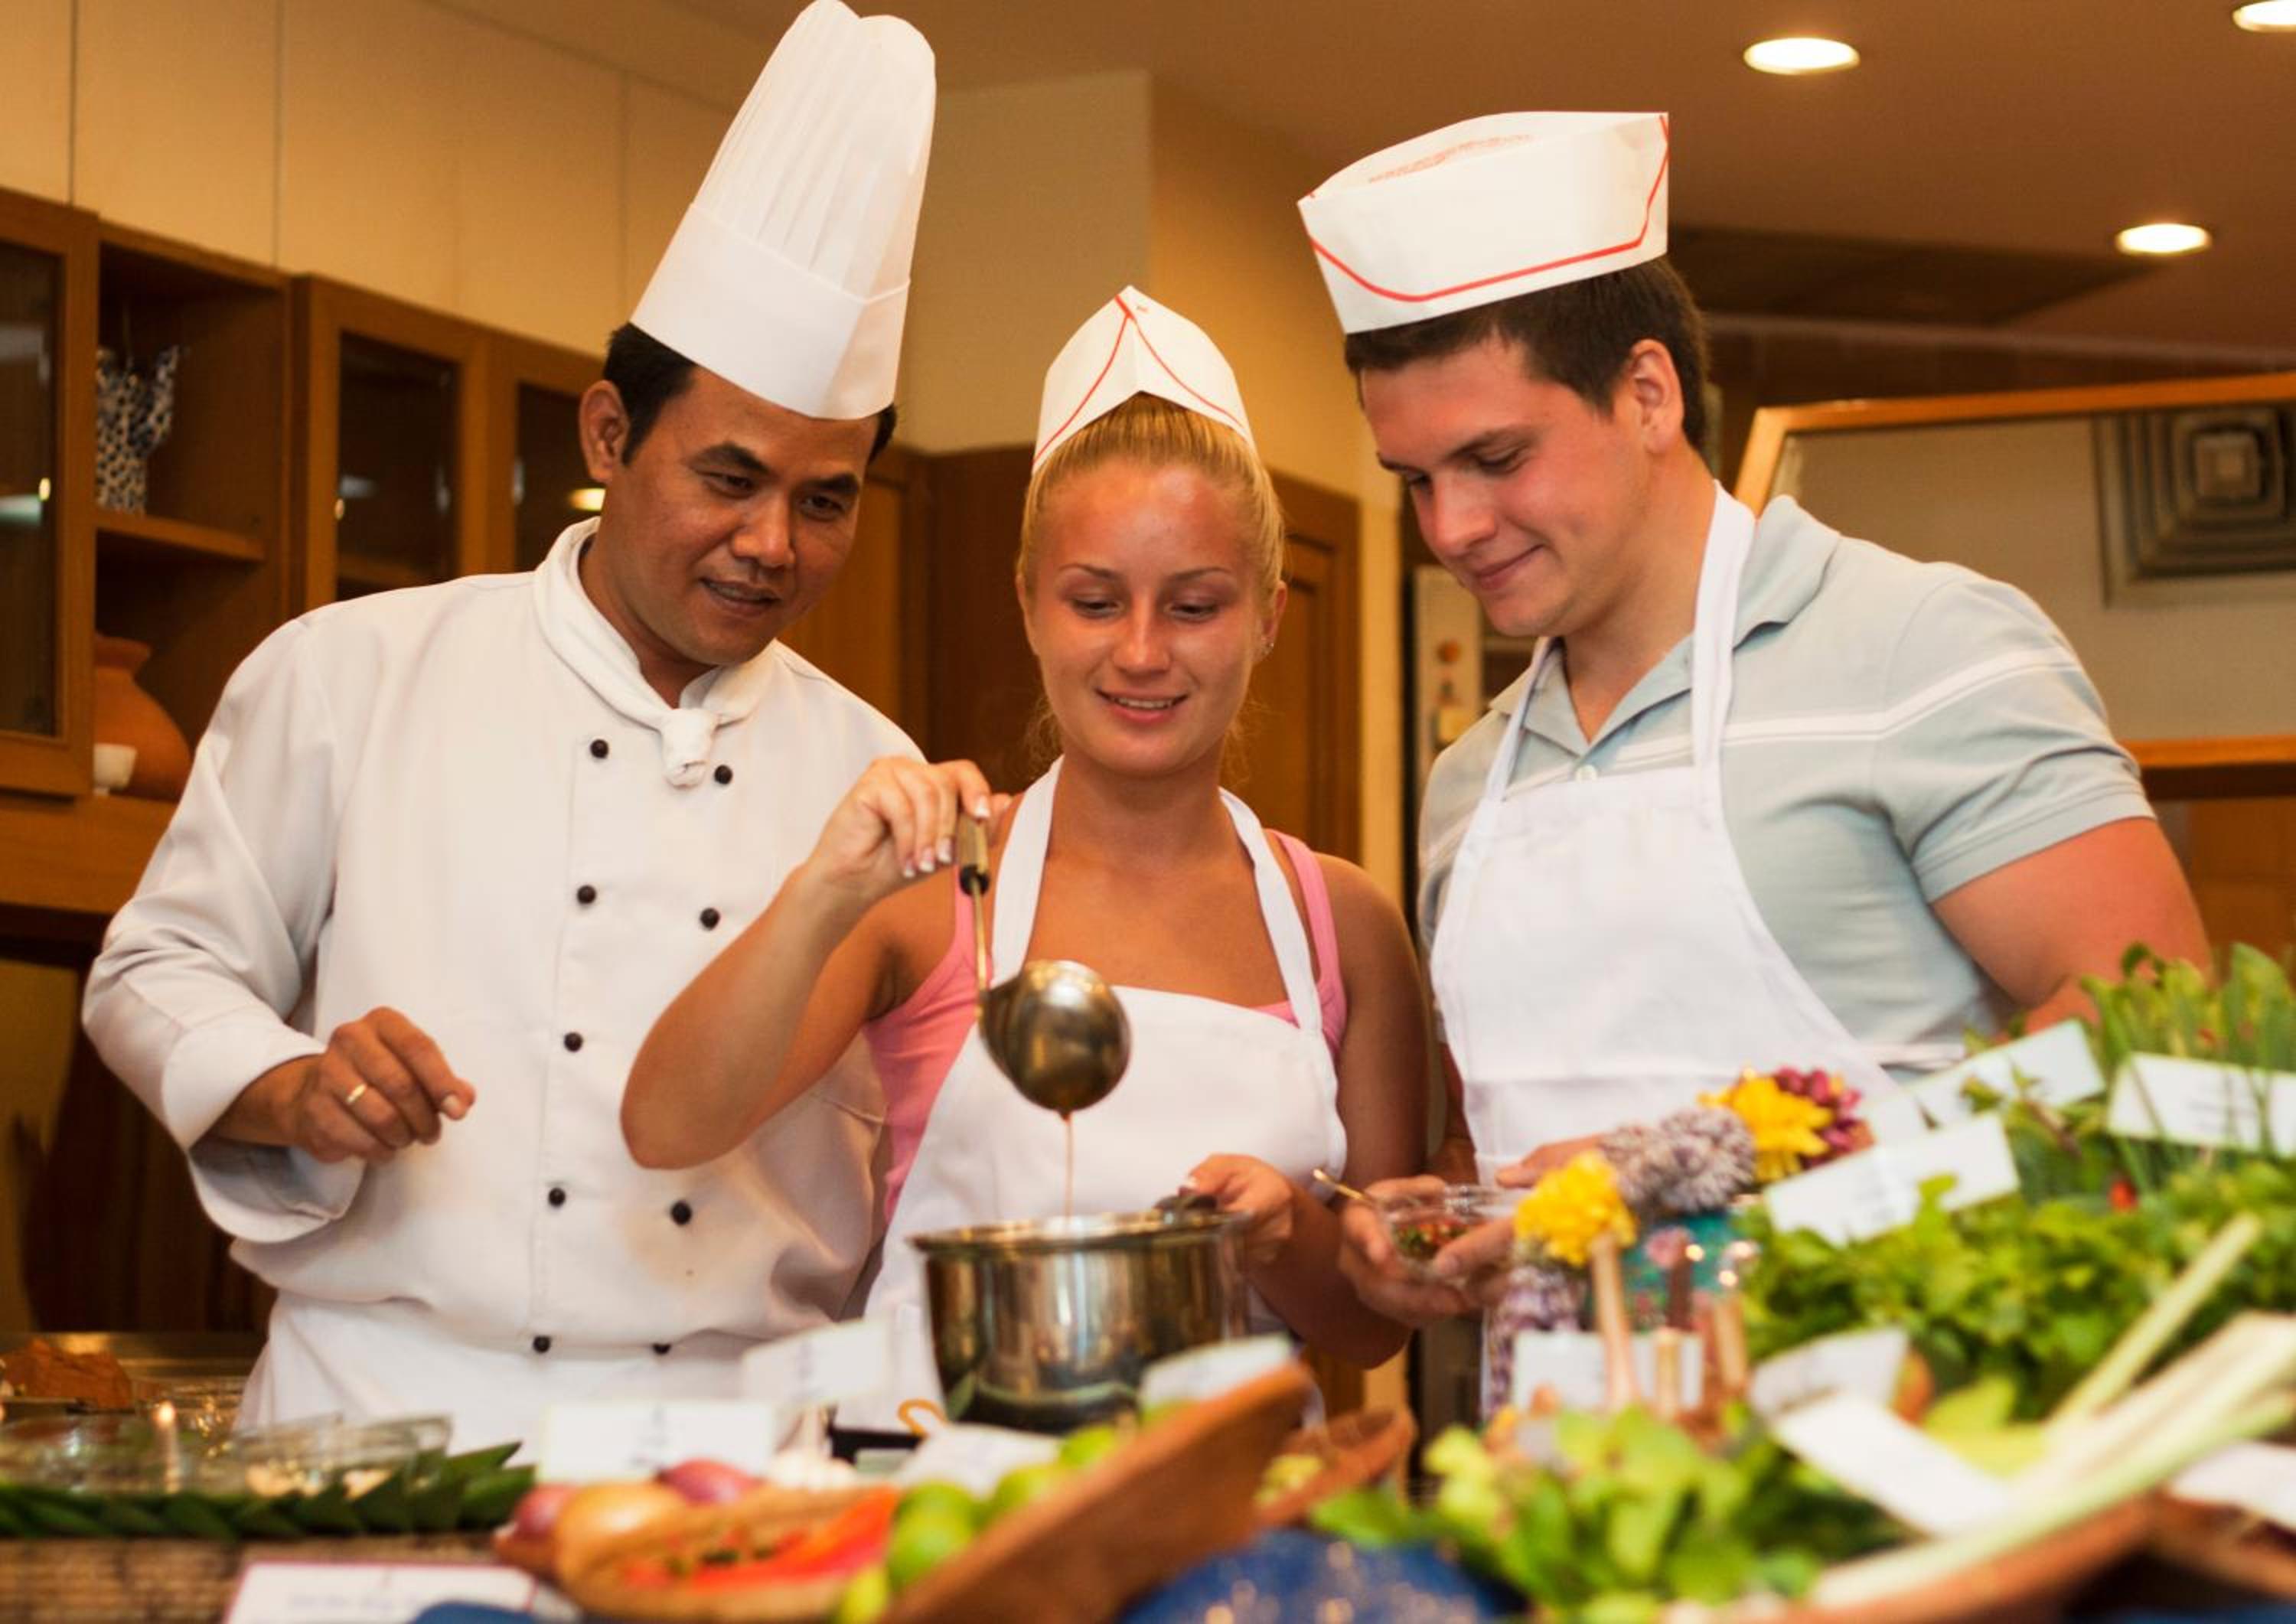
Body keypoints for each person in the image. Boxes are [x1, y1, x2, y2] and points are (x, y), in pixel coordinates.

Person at [80, 0, 938, 1446]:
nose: (772, 545)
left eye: (825, 500)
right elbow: (155, 967)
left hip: (738, 1457)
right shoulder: (354, 673)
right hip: (381, 1430)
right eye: (729, 479)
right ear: (608, 435)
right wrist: (290, 1084)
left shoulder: (878, 777)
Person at [1293, 113, 2210, 1320]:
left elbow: (2158, 1037)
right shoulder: (1470, 780)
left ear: (1648, 394)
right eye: (1416, 480)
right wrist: (1451, 1218)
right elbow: (1520, 1133)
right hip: (1570, 1430)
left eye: (1497, 459)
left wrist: (1724, 1178)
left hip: (1906, 1403)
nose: (1452, 527)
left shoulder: (1923, 646)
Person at [625, 289, 1427, 1424]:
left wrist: (1285, 1231)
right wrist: (822, 894)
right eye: (1094, 601)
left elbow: (1377, 1323)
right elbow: (667, 1127)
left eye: (1194, 606)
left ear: (1268, 616)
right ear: (1029, 605)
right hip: (945, 1496)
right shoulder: (935, 889)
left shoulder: (1339, 922)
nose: (1140, 652)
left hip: (1229, 1506)